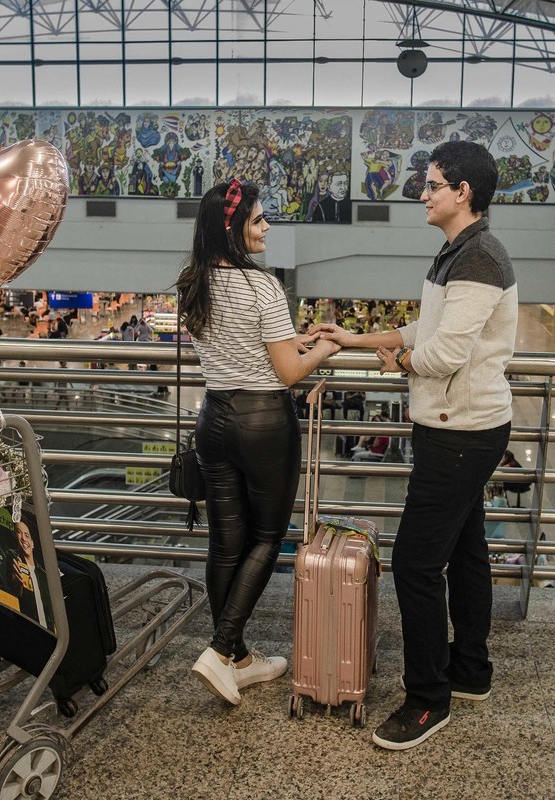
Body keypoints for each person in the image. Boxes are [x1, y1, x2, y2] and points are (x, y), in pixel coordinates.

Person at [311, 140, 517, 750]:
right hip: (465, 425)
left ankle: (429, 699)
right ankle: (470, 670)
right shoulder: (459, 252)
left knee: (417, 564)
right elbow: (425, 330)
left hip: (460, 430)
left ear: (464, 193)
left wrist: (398, 360)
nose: (422, 195)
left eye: (432, 185)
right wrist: (352, 340)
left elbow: (442, 353)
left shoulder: (477, 257)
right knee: (469, 548)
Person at [179, 177, 340, 706]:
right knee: (268, 538)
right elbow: (289, 373)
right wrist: (325, 348)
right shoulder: (262, 286)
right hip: (263, 423)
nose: (267, 226)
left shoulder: (194, 281)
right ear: (233, 228)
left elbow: (238, 346)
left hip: (215, 419)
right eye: (258, 219)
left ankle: (240, 659)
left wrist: (294, 339)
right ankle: (221, 647)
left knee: (225, 543)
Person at [9, 520, 54, 631]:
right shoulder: (13, 560)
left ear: (33, 543)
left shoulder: (43, 575)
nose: (24, 538)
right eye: (19, 533)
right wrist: (16, 585)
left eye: (27, 535)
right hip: (28, 630)